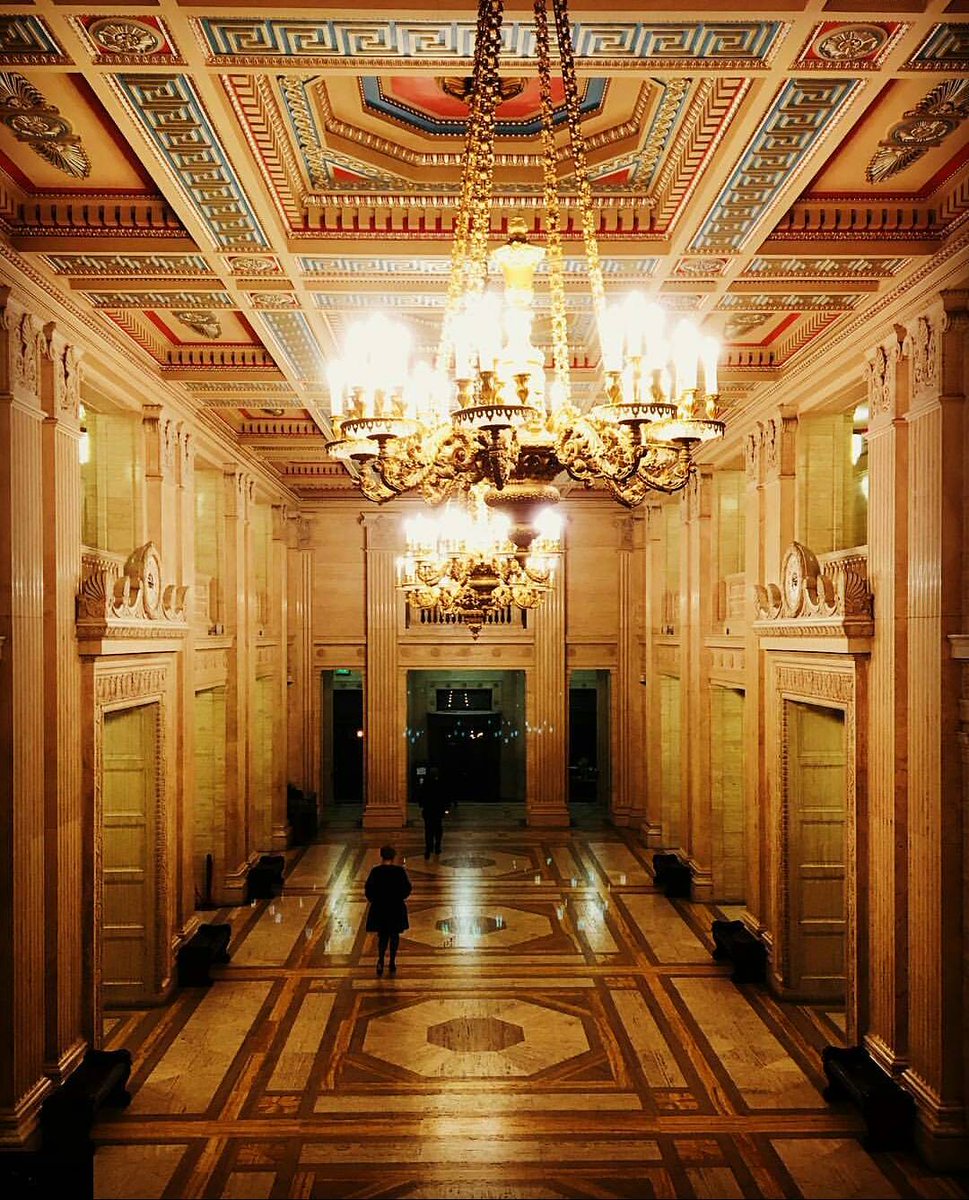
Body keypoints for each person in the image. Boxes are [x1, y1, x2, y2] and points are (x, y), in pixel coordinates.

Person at [364, 845, 412, 977]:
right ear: (393, 856)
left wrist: (375, 900)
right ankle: (392, 961)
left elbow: (368, 890)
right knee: (394, 935)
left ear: (382, 855)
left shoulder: (376, 871)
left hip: (380, 908)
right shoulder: (399, 871)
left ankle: (380, 959)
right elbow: (407, 889)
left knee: (383, 936)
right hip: (395, 907)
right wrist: (399, 897)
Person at [419, 765, 448, 860]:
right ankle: (437, 847)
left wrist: (422, 805)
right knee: (438, 829)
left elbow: (421, 796)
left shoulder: (426, 783)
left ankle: (428, 849)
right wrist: (445, 808)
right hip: (437, 810)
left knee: (428, 830)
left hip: (428, 810)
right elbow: (444, 797)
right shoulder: (441, 783)